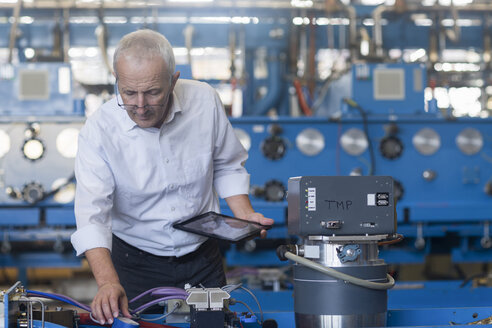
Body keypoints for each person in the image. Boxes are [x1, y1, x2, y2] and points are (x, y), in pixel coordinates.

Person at [70, 29, 274, 325]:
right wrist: (107, 283)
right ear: (116, 80)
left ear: (173, 80)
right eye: (128, 92)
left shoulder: (204, 101)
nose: (140, 105)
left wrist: (246, 216)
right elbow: (92, 215)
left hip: (203, 256)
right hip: (136, 262)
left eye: (153, 92)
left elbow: (227, 165)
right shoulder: (99, 131)